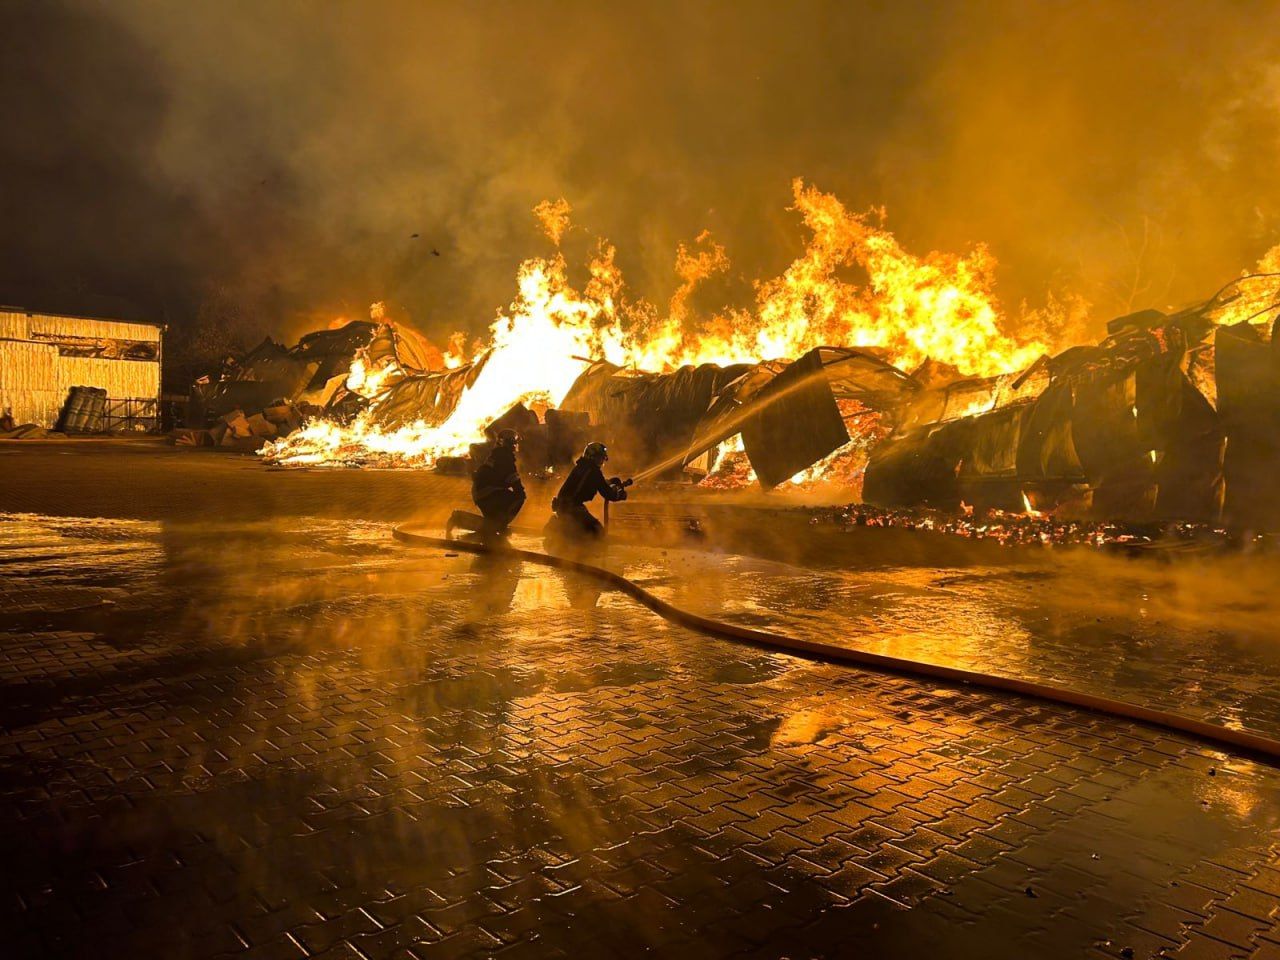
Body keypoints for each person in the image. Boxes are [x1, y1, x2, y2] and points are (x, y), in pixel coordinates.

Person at [551, 441, 630, 537]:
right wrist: (620, 495)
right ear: (592, 456)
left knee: (590, 530)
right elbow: (608, 493)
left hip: (566, 506)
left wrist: (610, 481)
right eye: (600, 457)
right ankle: (584, 549)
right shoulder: (593, 471)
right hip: (571, 508)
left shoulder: (583, 467)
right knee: (597, 531)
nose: (601, 461)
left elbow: (592, 482)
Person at [471, 429, 526, 537]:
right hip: (487, 493)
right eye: (515, 443)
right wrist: (521, 491)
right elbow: (515, 482)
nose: (516, 445)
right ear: (510, 443)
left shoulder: (497, 454)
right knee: (520, 497)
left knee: (503, 497)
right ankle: (500, 525)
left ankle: (491, 523)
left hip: (481, 492)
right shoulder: (505, 458)